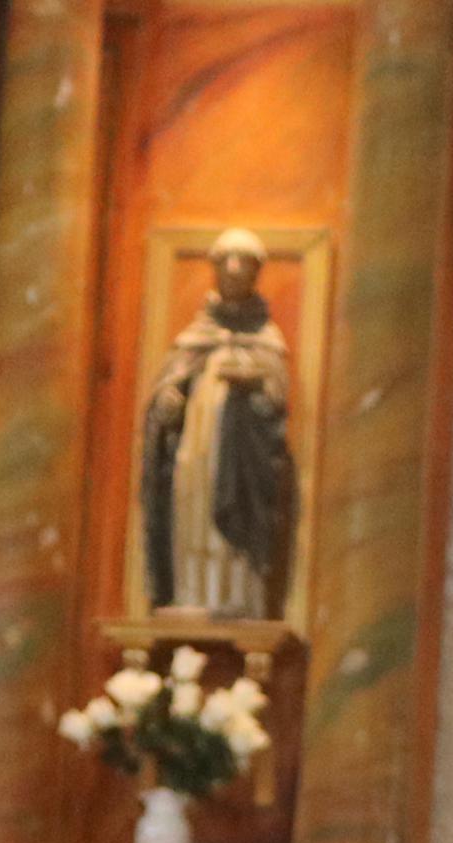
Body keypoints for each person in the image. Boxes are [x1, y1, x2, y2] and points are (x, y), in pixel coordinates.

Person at [140, 229, 296, 618]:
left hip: (243, 454)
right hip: (197, 446)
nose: (234, 271)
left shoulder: (267, 339)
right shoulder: (195, 337)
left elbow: (277, 399)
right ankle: (190, 591)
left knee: (236, 510)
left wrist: (254, 382)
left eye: (243, 265)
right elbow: (168, 390)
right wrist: (169, 401)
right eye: (226, 263)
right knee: (193, 507)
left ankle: (237, 596)